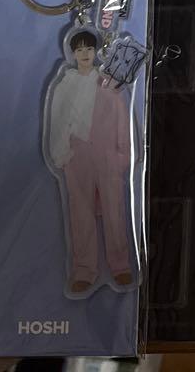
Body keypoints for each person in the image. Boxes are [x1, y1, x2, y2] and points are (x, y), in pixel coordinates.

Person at [46, 27, 134, 295]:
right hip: (77, 155)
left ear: (96, 52)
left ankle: (120, 266)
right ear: (73, 53)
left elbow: (121, 119)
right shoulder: (65, 85)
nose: (84, 53)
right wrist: (61, 153)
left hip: (107, 155)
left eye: (89, 48)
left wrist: (123, 155)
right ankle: (84, 269)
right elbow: (58, 118)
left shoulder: (108, 84)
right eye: (79, 49)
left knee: (114, 208)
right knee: (80, 212)